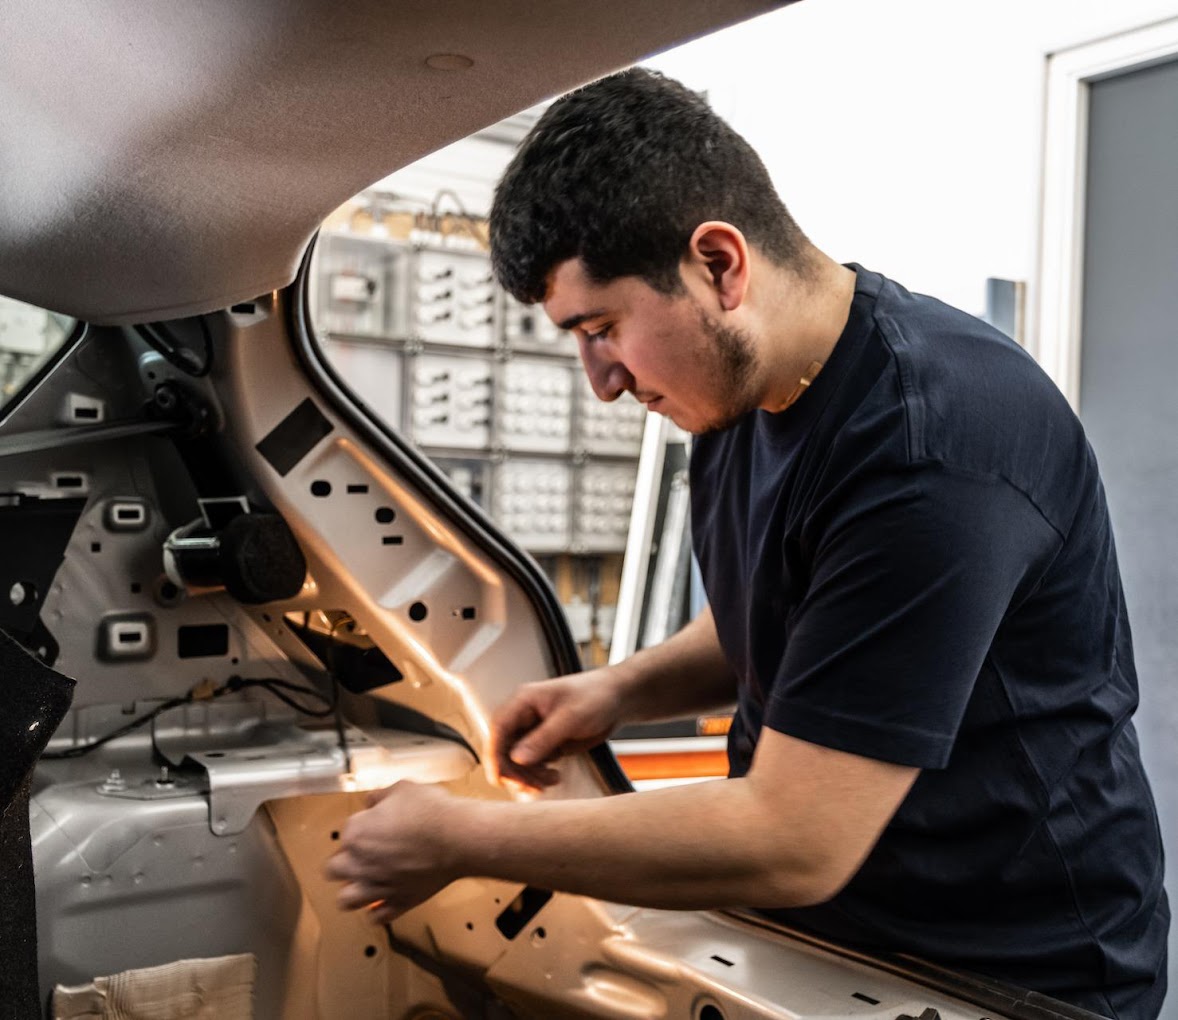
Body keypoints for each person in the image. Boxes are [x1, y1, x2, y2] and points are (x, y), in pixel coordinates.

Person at [326, 68, 1168, 1018]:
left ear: (720, 264)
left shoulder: (934, 448)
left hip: (1008, 974)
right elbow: (790, 617)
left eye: (602, 328)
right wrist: (619, 688)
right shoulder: (737, 393)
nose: (601, 381)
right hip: (828, 939)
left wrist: (460, 839)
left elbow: (793, 837)